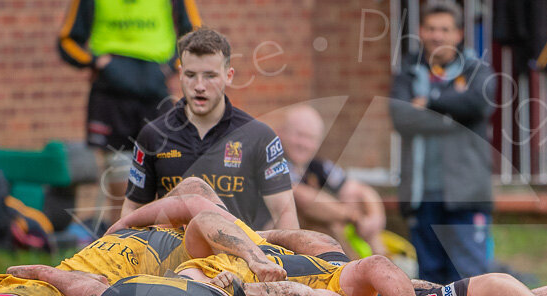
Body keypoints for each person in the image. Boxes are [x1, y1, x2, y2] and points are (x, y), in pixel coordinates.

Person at [123, 28, 297, 231]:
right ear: (180, 75)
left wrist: (288, 261)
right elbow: (132, 209)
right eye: (190, 75)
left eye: (210, 76)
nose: (199, 86)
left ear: (229, 76)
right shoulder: (152, 135)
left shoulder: (259, 137)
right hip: (170, 257)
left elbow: (284, 212)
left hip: (235, 257)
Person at [56, 0, 200, 227]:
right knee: (119, 179)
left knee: (162, 174)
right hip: (111, 94)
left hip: (154, 91)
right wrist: (96, 62)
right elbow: (67, 41)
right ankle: (120, 247)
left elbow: (194, 34)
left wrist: (171, 66)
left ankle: (158, 245)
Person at [389, 1, 495, 284]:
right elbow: (401, 117)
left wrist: (429, 103)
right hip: (421, 196)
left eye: (445, 29)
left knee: (470, 282)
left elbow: (479, 104)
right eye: (431, 28)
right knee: (429, 285)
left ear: (459, 34)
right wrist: (453, 116)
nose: (437, 35)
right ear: (421, 31)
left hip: (464, 197)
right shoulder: (408, 72)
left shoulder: (475, 71)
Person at [277, 105, 388, 257]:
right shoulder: (274, 164)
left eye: (310, 138)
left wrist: (375, 218)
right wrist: (352, 217)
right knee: (330, 225)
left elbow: (360, 190)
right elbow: (303, 199)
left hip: (327, 233)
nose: (304, 144)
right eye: (299, 135)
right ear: (281, 133)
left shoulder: (320, 167)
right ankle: (354, 268)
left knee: (354, 201)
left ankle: (382, 264)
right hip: (282, 238)